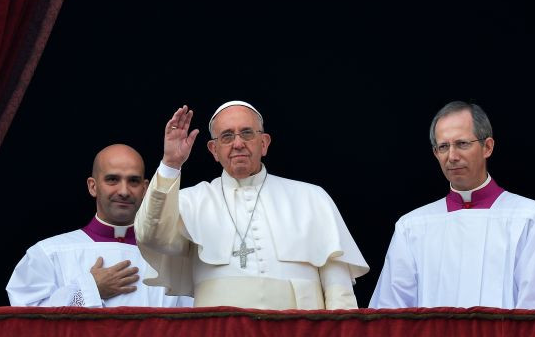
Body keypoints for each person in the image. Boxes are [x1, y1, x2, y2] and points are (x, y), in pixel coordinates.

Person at [134, 101, 368, 309]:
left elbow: (339, 288)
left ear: (264, 143)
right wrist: (171, 164)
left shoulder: (311, 197)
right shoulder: (190, 201)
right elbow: (151, 235)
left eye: (246, 133)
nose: (237, 143)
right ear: (213, 150)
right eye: (226, 136)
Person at [369, 101, 535, 309]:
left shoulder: (531, 218)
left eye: (462, 143)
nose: (452, 157)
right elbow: (390, 314)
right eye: (443, 147)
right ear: (436, 153)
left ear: (487, 147)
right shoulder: (411, 227)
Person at [6, 144, 191, 307]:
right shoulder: (48, 254)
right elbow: (27, 322)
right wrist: (90, 289)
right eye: (112, 179)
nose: (124, 191)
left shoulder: (172, 259)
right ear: (93, 186)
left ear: (144, 189)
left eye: (133, 181)